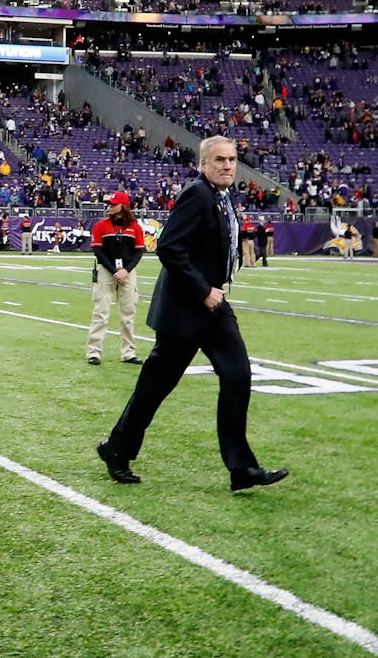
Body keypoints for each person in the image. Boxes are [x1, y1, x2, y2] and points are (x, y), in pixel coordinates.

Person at [96, 136, 288, 493]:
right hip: (187, 309)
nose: (228, 165)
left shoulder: (222, 195)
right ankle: (116, 448)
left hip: (212, 308)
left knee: (237, 374)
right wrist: (204, 290)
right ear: (203, 164)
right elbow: (169, 247)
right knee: (155, 387)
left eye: (232, 159)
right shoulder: (197, 194)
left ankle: (241, 468)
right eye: (220, 160)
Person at [85, 191, 145, 366]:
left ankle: (129, 352)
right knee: (100, 312)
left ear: (123, 206)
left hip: (127, 272)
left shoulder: (135, 227)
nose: (109, 207)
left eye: (113, 204)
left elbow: (139, 250)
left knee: (128, 314)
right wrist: (114, 270)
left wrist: (126, 270)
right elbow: (97, 250)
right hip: (106, 270)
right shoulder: (101, 225)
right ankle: (94, 351)